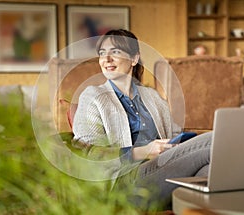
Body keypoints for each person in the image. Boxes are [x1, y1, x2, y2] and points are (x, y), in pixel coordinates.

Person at [72, 29, 211, 211]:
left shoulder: (152, 97)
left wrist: (179, 142)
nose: (106, 60)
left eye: (114, 52)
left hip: (163, 171)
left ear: (134, 59)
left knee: (210, 172)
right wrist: (143, 151)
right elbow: (88, 154)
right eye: (102, 53)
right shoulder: (92, 96)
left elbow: (176, 135)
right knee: (214, 141)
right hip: (125, 182)